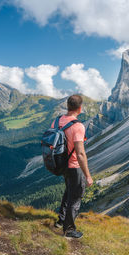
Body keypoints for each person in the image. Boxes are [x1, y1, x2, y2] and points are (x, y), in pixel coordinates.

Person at [53, 94, 93, 239]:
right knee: (76, 196)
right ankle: (69, 230)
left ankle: (61, 220)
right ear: (80, 108)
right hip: (73, 166)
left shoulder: (57, 121)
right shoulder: (78, 126)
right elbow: (80, 153)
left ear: (68, 105)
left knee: (69, 191)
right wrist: (87, 175)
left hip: (61, 164)